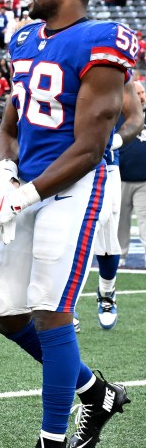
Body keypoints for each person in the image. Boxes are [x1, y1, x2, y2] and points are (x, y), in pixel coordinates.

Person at [0, 0, 134, 448]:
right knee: (5, 314)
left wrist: (23, 197)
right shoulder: (23, 39)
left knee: (50, 310)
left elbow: (89, 147)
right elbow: (10, 126)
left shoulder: (101, 40)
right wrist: (3, 173)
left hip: (75, 187)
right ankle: (96, 392)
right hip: (27, 184)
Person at [89, 81, 144, 330]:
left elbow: (135, 118)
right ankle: (64, 303)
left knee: (107, 231)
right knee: (60, 236)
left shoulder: (114, 72)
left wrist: (115, 142)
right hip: (57, 156)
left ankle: (106, 291)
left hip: (105, 162)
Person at [118, 80, 146, 265]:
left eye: (143, 93)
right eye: (137, 93)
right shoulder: (118, 117)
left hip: (144, 180)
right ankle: (119, 256)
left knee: (145, 219)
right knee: (120, 221)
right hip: (121, 179)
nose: (141, 97)